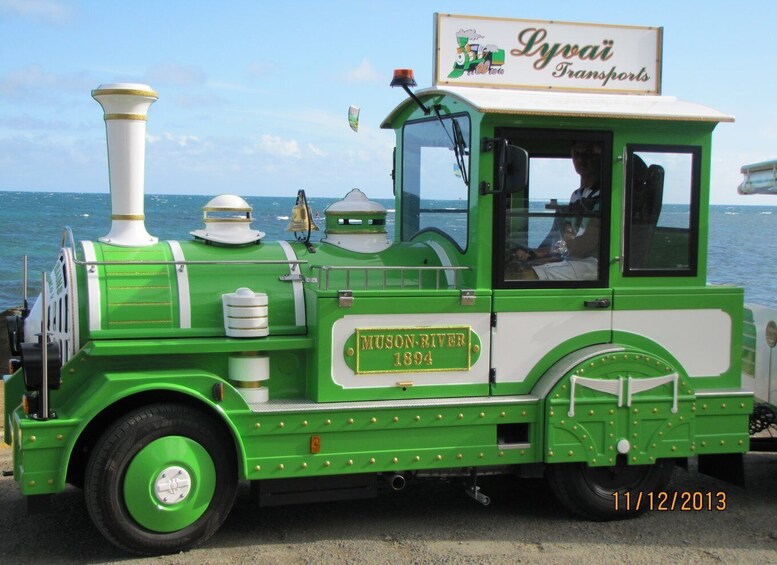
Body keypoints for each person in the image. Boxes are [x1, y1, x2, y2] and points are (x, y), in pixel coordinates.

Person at [515, 140, 602, 280]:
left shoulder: (603, 196)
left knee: (524, 276)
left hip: (595, 263)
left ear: (599, 157)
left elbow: (584, 245)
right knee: (521, 266)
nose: (581, 159)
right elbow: (568, 239)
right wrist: (537, 254)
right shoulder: (577, 195)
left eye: (588, 154)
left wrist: (564, 246)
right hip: (575, 259)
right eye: (576, 154)